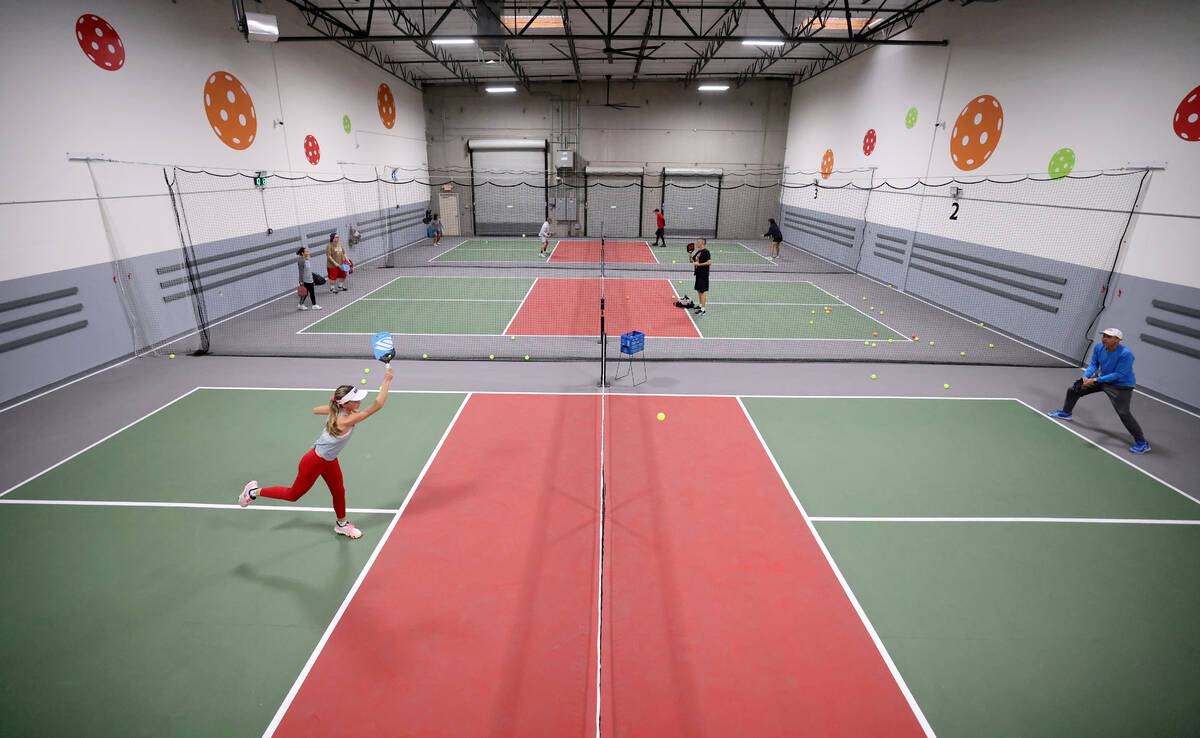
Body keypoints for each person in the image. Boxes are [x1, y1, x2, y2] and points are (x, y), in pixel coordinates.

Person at [239, 365, 395, 538]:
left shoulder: (339, 410)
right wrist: (386, 380)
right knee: (293, 495)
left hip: (329, 460)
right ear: (344, 403)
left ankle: (341, 525)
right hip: (314, 461)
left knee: (339, 491)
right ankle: (252, 492)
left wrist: (344, 409)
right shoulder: (346, 420)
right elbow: (378, 405)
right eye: (355, 400)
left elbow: (316, 410)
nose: (359, 402)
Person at [1048, 328, 1150, 453]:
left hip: (1121, 386)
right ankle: (1066, 413)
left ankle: (1142, 443)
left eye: (1109, 337)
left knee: (1124, 413)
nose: (1104, 339)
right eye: (1104, 336)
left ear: (1118, 340)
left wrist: (1096, 380)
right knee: (1073, 390)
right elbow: (1094, 364)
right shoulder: (1099, 347)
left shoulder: (1125, 354)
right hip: (1101, 379)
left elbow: (1119, 374)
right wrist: (1085, 376)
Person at [295, 247, 322, 311]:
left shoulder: (306, 259)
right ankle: (302, 305)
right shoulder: (301, 260)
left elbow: (308, 270)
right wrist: (301, 281)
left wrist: (312, 277)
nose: (308, 253)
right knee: (305, 293)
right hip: (305, 280)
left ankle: (313, 305)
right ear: (302, 253)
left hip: (309, 279)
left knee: (310, 293)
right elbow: (301, 272)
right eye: (306, 252)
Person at [690, 237, 711, 315]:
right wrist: (690, 255)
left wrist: (700, 264)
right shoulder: (699, 251)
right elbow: (692, 260)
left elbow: (709, 262)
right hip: (698, 274)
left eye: (698, 242)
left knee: (702, 291)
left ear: (702, 243)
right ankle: (700, 305)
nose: (697, 243)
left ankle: (703, 310)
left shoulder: (706, 252)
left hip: (703, 274)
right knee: (699, 290)